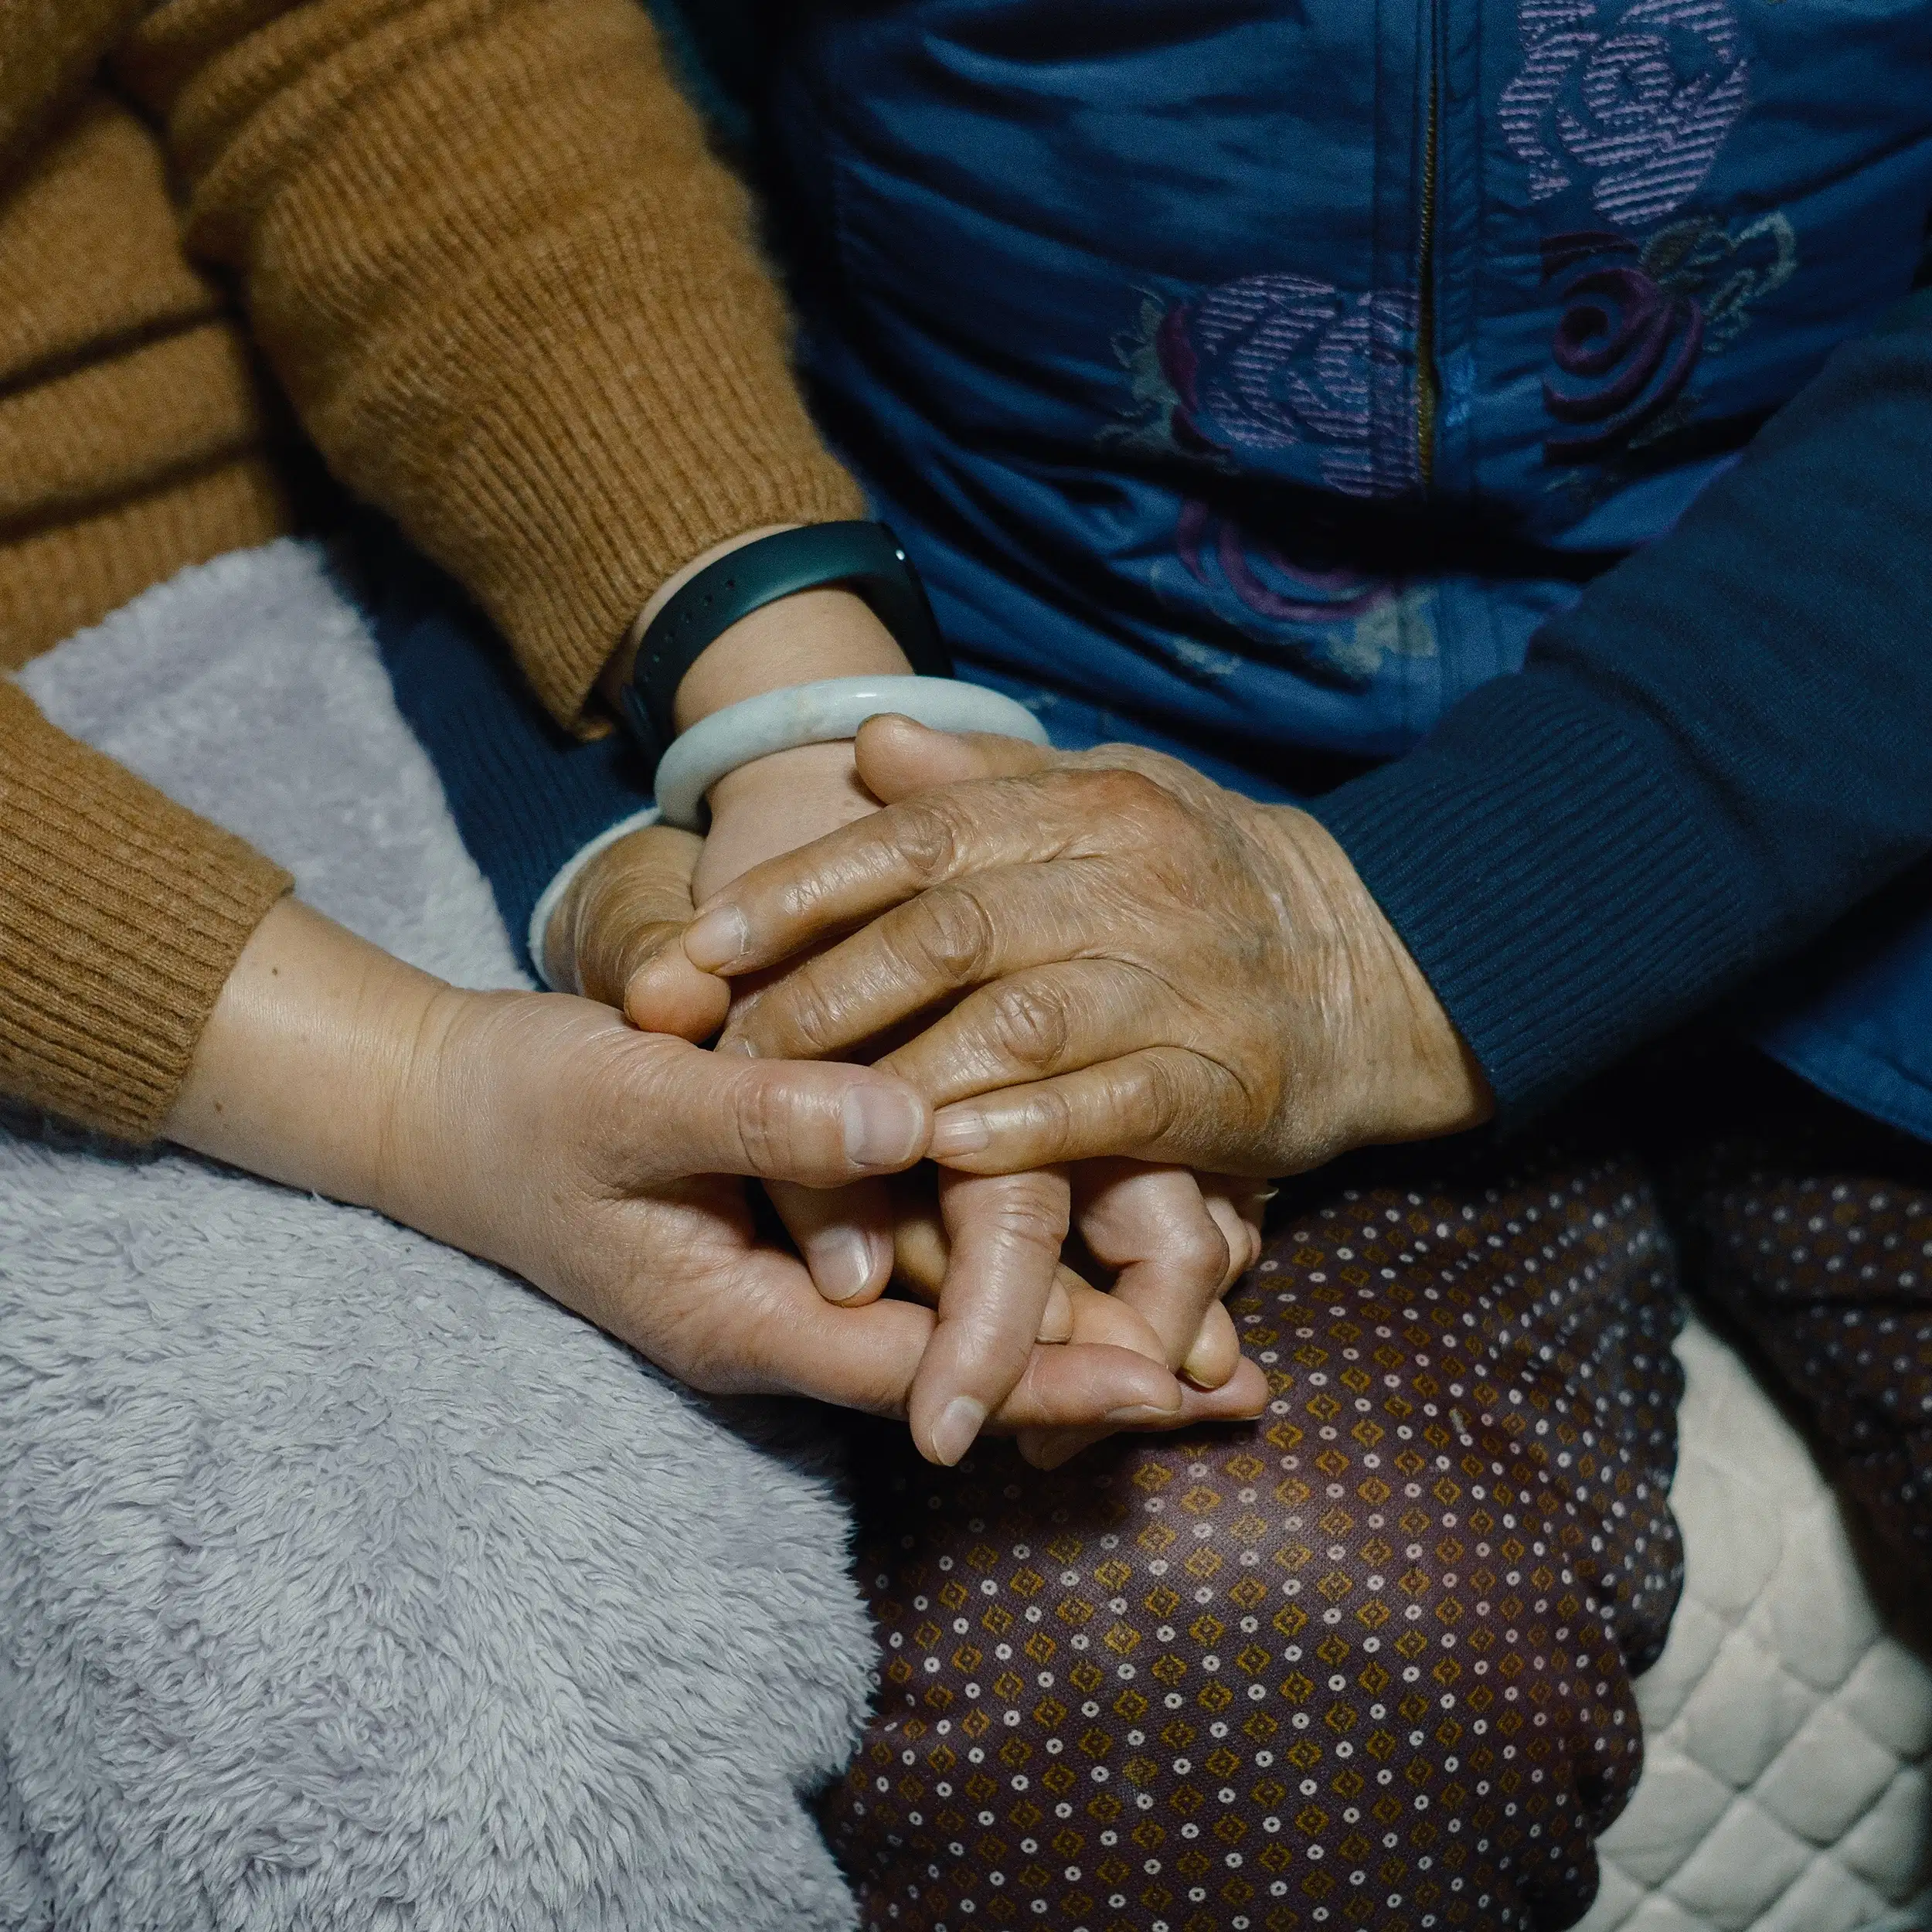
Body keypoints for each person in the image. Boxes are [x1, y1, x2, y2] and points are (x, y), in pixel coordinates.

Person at [362, 4, 1932, 1928]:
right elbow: (452, 166)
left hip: (1878, 728)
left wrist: (1390, 935)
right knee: (1179, 1638)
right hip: (1012, 745)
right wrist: (679, 826)